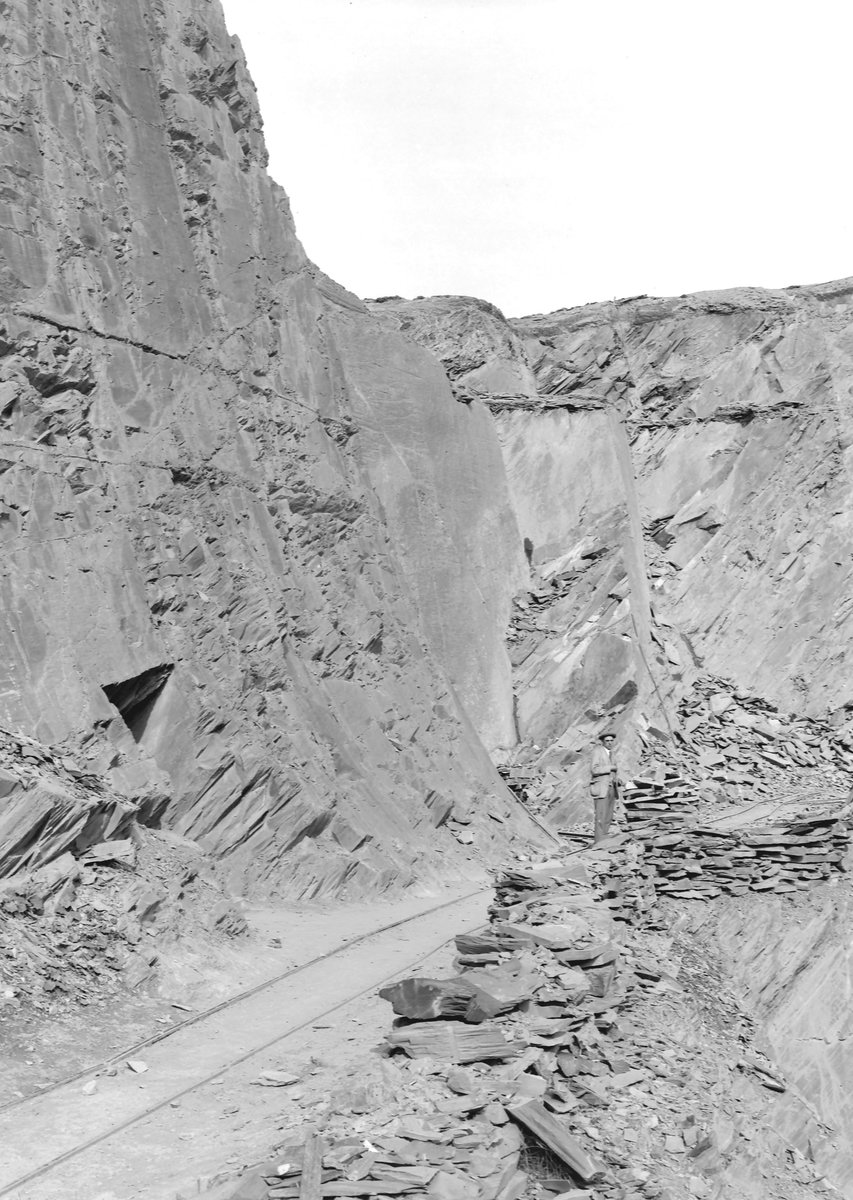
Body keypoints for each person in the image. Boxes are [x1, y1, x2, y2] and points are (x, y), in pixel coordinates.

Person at [590, 731, 619, 844]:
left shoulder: (612, 753)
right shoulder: (597, 752)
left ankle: (604, 841)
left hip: (611, 788)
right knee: (601, 816)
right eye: (607, 741)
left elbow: (615, 771)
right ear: (602, 742)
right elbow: (594, 769)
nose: (610, 743)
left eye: (611, 741)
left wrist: (617, 778)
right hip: (601, 788)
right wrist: (610, 768)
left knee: (608, 816)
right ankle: (598, 842)